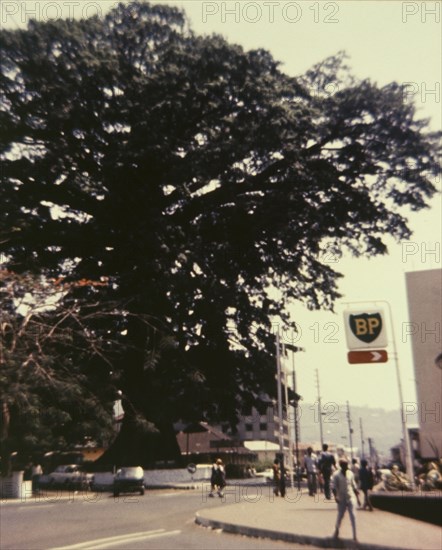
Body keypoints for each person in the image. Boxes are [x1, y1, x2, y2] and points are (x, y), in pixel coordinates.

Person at [332, 459, 359, 543]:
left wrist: (357, 497)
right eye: (345, 465)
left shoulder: (350, 473)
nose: (347, 467)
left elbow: (353, 485)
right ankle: (337, 530)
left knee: (353, 516)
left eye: (347, 465)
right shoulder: (336, 475)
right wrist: (336, 496)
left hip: (351, 497)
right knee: (340, 516)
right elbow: (333, 487)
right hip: (342, 498)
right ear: (341, 466)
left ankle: (355, 536)